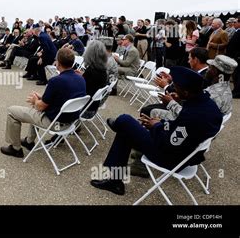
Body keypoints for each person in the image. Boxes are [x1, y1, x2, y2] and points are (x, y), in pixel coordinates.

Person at [90, 66, 223, 195]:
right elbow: (182, 129)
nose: (174, 90)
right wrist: (163, 123)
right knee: (126, 131)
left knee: (125, 121)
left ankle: (115, 179)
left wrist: (156, 126)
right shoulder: (208, 105)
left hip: (170, 158)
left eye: (176, 88)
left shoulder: (192, 115)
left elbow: (170, 143)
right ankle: (115, 181)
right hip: (186, 152)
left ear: (187, 92)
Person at [0, 48, 86, 158]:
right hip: (70, 123)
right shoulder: (80, 78)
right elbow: (64, 96)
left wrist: (36, 101)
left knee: (12, 111)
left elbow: (41, 107)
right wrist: (41, 98)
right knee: (37, 106)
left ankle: (15, 148)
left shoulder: (56, 81)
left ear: (58, 63)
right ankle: (29, 141)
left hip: (54, 123)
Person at [151, 55, 238, 121]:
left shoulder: (213, 95)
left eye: (210, 67)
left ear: (215, 71)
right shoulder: (224, 89)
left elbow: (191, 116)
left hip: (189, 127)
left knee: (152, 112)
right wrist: (181, 100)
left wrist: (171, 103)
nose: (207, 69)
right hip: (202, 125)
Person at [226, 16, 240, 98]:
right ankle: (236, 90)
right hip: (234, 56)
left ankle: (238, 92)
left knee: (238, 75)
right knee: (235, 75)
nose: (233, 24)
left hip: (237, 56)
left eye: (235, 22)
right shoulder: (237, 31)